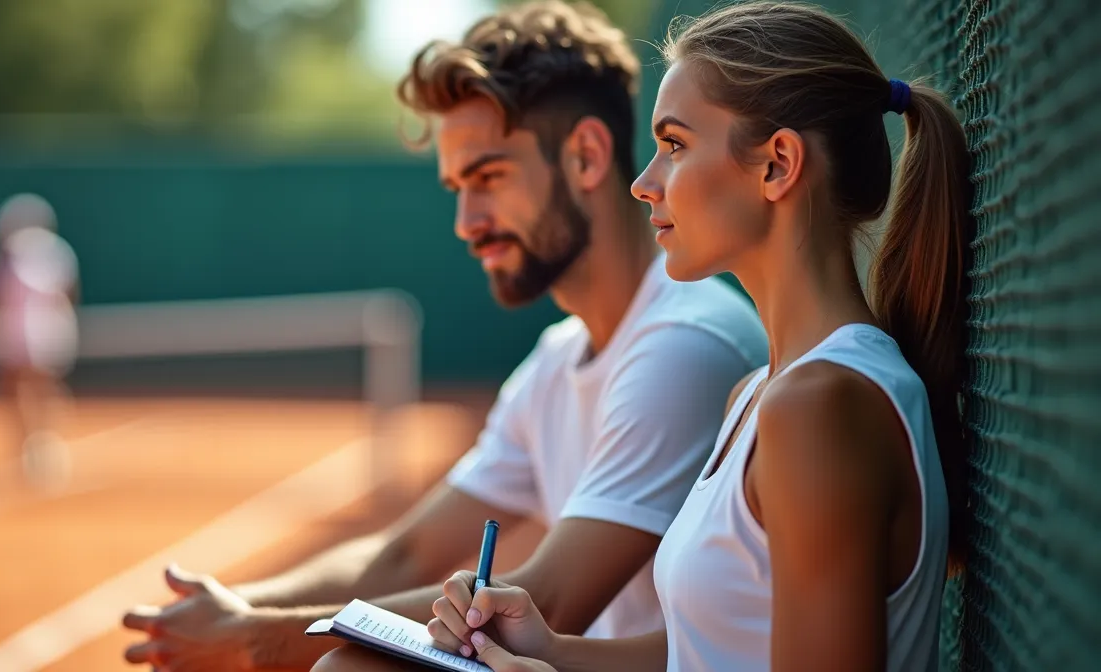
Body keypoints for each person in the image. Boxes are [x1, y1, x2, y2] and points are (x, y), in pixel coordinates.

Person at [120, 2, 767, 671]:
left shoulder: (685, 342)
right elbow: (406, 553)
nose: (466, 221)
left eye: (486, 178)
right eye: (456, 188)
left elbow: (544, 604)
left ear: (586, 156)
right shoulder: (559, 358)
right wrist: (240, 608)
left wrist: (253, 639)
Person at [386, 2, 973, 671]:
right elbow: (712, 649)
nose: (643, 184)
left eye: (674, 145)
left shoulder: (819, 406)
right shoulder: (762, 393)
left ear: (778, 165)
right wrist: (550, 652)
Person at [0, 192, 80, 492]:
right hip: (21, 340)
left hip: (41, 339)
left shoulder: (33, 257)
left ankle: (44, 445)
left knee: (39, 391)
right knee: (21, 394)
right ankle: (34, 449)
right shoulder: (11, 261)